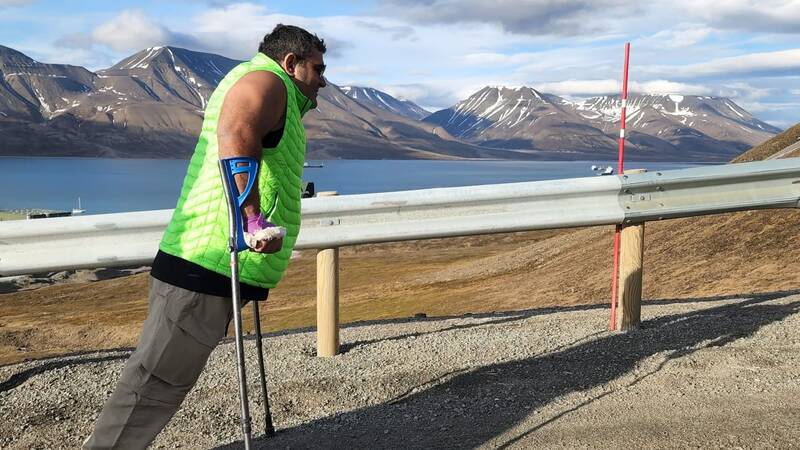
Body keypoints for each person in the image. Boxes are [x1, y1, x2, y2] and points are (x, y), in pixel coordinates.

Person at [83, 24, 327, 449]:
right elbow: (236, 135)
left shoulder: (269, 86)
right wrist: (251, 219)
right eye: (318, 68)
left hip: (208, 259)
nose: (323, 79)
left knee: (159, 379)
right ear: (291, 63)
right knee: (155, 383)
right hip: (206, 259)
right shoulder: (267, 82)